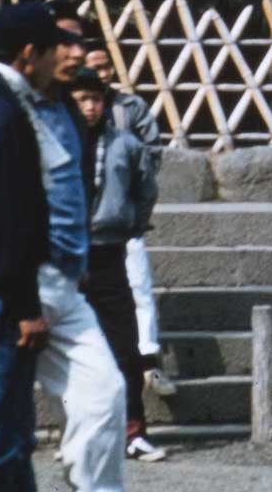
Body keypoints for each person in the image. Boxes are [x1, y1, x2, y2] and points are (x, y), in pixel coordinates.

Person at [0, 1, 125, 492]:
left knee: (96, 397)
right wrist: (21, 303)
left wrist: (69, 259)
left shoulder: (51, 105)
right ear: (29, 53)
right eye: (62, 42)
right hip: (0, 290)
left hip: (48, 283)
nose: (74, 51)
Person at [67, 68, 167, 461]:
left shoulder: (125, 144)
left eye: (95, 99)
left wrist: (131, 226)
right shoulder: (55, 145)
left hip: (109, 252)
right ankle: (79, 433)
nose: (89, 107)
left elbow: (146, 189)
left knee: (124, 347)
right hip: (67, 253)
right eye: (80, 100)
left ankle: (133, 431)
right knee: (71, 349)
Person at [80, 46, 174, 400]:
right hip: (84, 230)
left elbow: (150, 152)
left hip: (122, 218)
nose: (102, 74)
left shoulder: (130, 108)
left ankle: (148, 357)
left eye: (105, 68)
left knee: (140, 286)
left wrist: (131, 205)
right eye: (94, 68)